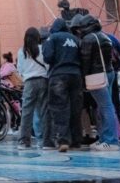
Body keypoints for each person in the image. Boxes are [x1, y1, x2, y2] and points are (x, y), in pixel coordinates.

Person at [72, 15, 119, 151]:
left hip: (96, 76)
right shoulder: (104, 36)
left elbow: (85, 62)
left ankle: (110, 141)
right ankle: (105, 138)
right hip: (109, 73)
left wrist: (83, 80)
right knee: (104, 106)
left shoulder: (88, 39)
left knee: (105, 107)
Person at [42, 18, 83, 152]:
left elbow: (48, 57)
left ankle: (63, 140)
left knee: (59, 108)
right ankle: (77, 140)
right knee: (75, 108)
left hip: (58, 75)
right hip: (76, 75)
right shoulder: (75, 39)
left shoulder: (52, 38)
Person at [16, 27, 51, 150]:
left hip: (29, 83)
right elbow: (47, 65)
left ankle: (24, 141)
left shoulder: (21, 52)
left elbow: (19, 70)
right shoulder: (43, 49)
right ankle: (47, 141)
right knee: (44, 111)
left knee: (26, 112)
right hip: (43, 80)